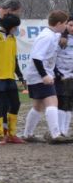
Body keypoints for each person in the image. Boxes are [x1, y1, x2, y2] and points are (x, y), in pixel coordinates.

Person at [22, 10, 69, 144]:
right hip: (38, 75)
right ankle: (55, 134)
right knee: (52, 102)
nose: (66, 26)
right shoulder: (46, 37)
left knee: (38, 106)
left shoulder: (54, 34)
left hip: (39, 74)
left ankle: (27, 134)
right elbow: (37, 58)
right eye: (65, 23)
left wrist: (56, 72)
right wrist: (44, 75)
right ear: (59, 23)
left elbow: (49, 57)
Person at [0, 14, 25, 143]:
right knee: (0, 106)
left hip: (10, 77)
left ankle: (11, 134)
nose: (16, 30)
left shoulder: (12, 38)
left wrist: (19, 75)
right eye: (15, 27)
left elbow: (14, 58)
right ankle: (0, 134)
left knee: (15, 104)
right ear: (9, 27)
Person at [54, 15, 73, 138]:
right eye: (70, 25)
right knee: (61, 102)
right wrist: (57, 73)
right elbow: (52, 56)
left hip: (71, 76)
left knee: (69, 104)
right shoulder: (59, 38)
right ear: (66, 25)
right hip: (60, 76)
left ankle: (65, 131)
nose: (72, 28)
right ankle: (59, 130)